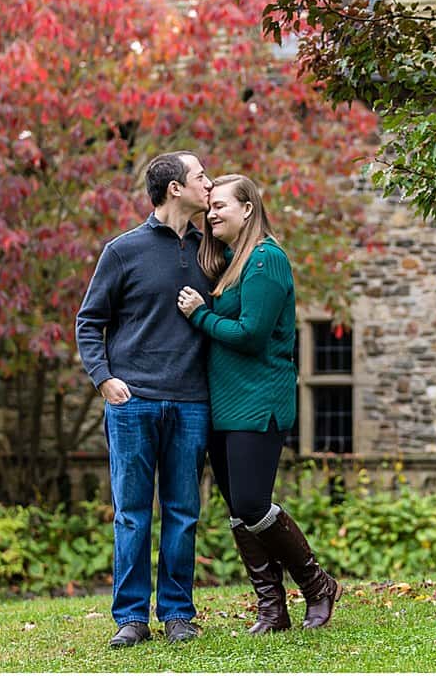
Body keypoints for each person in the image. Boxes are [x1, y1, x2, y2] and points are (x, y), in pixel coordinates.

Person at [175, 175, 337, 634]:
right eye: (209, 207)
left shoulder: (267, 259)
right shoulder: (232, 261)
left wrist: (199, 314)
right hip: (223, 402)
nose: (212, 214)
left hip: (258, 399)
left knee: (251, 502)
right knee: (237, 508)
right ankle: (272, 608)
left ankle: (318, 585)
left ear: (248, 209)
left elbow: (250, 334)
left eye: (221, 206)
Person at [76, 151, 214, 649]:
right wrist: (103, 379)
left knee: (183, 512)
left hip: (192, 402)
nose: (209, 184)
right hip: (133, 402)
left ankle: (177, 614)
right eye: (201, 176)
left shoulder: (210, 253)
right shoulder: (122, 251)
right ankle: (131, 618)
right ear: (174, 188)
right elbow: (89, 322)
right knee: (132, 513)